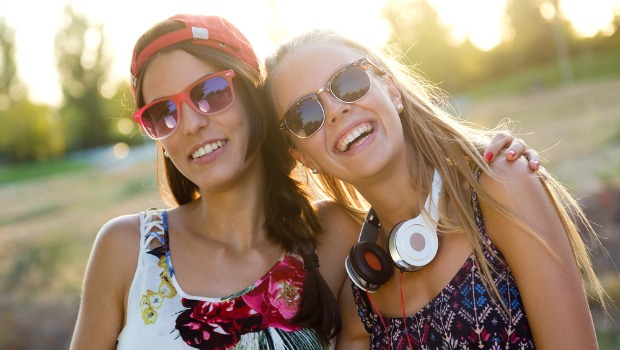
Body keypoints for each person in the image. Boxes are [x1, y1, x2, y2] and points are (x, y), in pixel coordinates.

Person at [69, 14, 539, 350]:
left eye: (210, 92)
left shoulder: (337, 238)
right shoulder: (126, 249)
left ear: (255, 100)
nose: (190, 123)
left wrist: (482, 158)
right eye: (163, 113)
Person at [264, 29, 607, 349]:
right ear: (303, 157)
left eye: (348, 82)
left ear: (391, 89)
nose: (336, 110)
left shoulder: (502, 187)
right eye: (306, 115)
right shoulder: (362, 297)